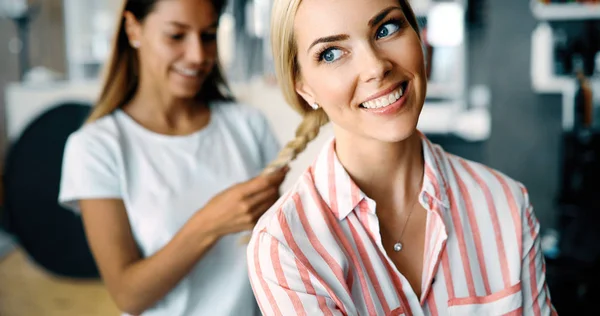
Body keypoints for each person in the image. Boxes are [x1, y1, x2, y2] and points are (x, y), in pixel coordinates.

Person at [248, 0, 557, 315]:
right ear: (304, 87)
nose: (375, 67)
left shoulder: (505, 202)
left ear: (417, 35)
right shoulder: (286, 245)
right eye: (331, 53)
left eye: (386, 28)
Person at [58, 0, 288, 315]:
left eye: (207, 36)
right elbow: (128, 295)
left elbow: (284, 249)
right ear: (132, 29)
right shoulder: (96, 148)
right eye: (176, 36)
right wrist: (210, 223)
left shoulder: (248, 124)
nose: (197, 56)